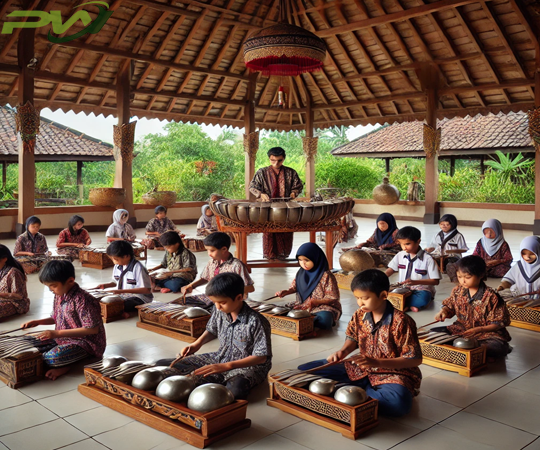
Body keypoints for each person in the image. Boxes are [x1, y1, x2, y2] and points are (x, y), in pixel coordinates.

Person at [297, 269, 422, 417]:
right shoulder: (360, 314)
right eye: (357, 298)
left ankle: (360, 391)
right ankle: (362, 391)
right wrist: (342, 352)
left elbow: (414, 359)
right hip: (360, 367)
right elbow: (353, 338)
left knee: (397, 405)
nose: (360, 303)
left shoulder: (402, 321)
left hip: (393, 373)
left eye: (365, 298)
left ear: (383, 295)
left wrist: (376, 362)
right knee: (305, 370)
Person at [156, 273, 272, 400]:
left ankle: (218, 381)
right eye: (214, 302)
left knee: (235, 391)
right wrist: (197, 344)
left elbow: (261, 357)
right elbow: (212, 330)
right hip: (221, 357)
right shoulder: (220, 311)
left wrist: (227, 366)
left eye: (222, 302)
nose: (217, 307)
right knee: (170, 365)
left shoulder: (257, 321)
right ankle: (213, 380)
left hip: (248, 366)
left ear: (239, 297)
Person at [21, 260, 106, 380]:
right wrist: (38, 322)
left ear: (70, 281)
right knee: (28, 341)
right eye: (48, 286)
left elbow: (92, 329)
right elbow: (56, 318)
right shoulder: (59, 295)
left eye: (53, 285)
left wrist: (57, 333)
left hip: (86, 343)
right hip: (62, 338)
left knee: (52, 358)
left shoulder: (84, 300)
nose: (51, 289)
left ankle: (68, 366)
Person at [434, 255, 511, 359]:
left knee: (496, 347)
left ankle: (465, 349)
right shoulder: (457, 290)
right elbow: (449, 305)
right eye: (460, 277)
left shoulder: (492, 296)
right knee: (434, 333)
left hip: (486, 333)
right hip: (461, 329)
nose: (463, 281)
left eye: (467, 277)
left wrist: (479, 329)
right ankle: (467, 349)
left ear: (480, 275)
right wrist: (443, 311)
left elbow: (498, 323)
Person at [249, 147, 303, 260]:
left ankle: (284, 254)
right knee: (269, 231)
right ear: (269, 159)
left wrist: (294, 193)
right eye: (273, 160)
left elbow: (298, 186)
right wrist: (260, 194)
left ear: (283, 159)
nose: (276, 163)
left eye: (279, 160)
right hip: (268, 208)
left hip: (285, 208)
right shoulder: (261, 172)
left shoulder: (291, 172)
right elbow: (252, 187)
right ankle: (270, 255)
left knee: (286, 230)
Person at [275, 243, 341, 330]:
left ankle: (305, 321)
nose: (303, 263)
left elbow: (334, 298)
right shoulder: (301, 273)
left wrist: (315, 302)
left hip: (322, 307)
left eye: (306, 260)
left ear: (316, 258)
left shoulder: (326, 275)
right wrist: (286, 292)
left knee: (325, 320)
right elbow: (295, 287)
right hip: (303, 305)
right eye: (300, 260)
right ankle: (305, 321)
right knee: (278, 310)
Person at [180, 232, 254, 306]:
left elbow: (250, 288)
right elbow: (205, 278)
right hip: (214, 297)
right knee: (182, 303)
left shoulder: (237, 265)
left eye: (212, 250)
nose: (209, 253)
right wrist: (191, 286)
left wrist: (227, 292)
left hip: (229, 303)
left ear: (224, 249)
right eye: (207, 250)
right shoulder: (212, 262)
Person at [385, 226, 441, 312]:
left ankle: (402, 304)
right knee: (384, 294)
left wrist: (415, 282)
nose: (404, 247)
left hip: (421, 290)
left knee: (423, 299)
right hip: (403, 288)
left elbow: (435, 281)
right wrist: (381, 276)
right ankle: (408, 305)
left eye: (407, 244)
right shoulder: (400, 255)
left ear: (418, 241)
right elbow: (391, 269)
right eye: (401, 244)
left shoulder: (428, 259)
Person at [94, 241, 153, 318]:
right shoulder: (118, 266)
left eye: (116, 259)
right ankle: (124, 312)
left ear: (126, 256)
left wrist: (122, 291)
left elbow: (146, 290)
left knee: (122, 304)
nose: (114, 262)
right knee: (100, 301)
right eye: (112, 259)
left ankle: (133, 312)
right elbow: (115, 282)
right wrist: (105, 285)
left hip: (140, 298)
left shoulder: (138, 267)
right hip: (123, 295)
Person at [425, 214, 468, 282]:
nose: (444, 226)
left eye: (447, 224)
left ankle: (456, 281)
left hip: (452, 256)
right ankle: (430, 277)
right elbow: (433, 246)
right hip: (438, 255)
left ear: (453, 225)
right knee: (427, 259)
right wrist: (429, 249)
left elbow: (464, 249)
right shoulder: (437, 235)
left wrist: (452, 251)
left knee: (450, 265)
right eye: (442, 224)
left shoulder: (458, 236)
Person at [0, 244, 29, 320]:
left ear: (4, 259)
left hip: (15, 303)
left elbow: (18, 296)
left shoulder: (14, 273)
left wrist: (1, 294)